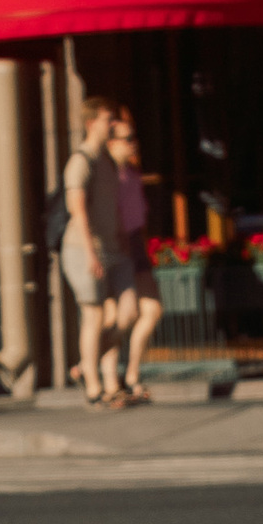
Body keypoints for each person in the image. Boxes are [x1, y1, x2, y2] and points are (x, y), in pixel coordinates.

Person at [60, 93, 137, 407]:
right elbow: (77, 210)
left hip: (114, 248)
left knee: (128, 312)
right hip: (83, 249)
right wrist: (91, 254)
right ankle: (97, 385)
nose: (113, 124)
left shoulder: (106, 160)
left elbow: (114, 206)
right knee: (94, 314)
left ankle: (85, 365)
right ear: (92, 123)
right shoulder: (81, 161)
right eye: (109, 119)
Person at [110, 110, 165, 401]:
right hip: (117, 246)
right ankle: (94, 364)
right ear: (111, 143)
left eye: (134, 137)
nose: (134, 143)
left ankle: (131, 374)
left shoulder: (131, 173)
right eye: (127, 138)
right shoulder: (107, 177)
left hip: (135, 244)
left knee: (152, 310)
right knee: (122, 315)